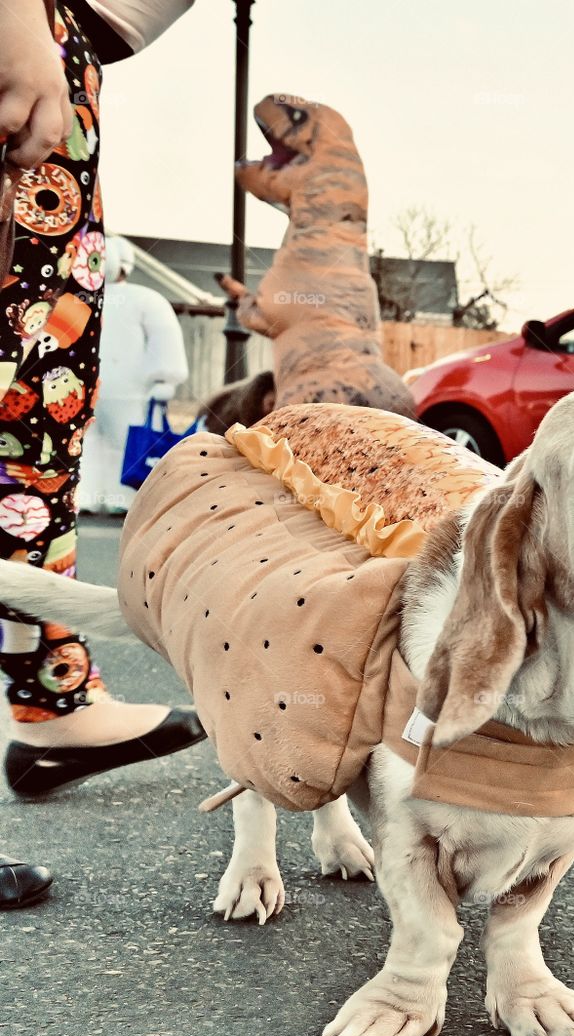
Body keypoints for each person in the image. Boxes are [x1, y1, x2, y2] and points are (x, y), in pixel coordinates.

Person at [0, 0, 198, 907]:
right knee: (26, 406)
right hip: (30, 35)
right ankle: (54, 699)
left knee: (30, 437)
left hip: (55, 40)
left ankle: (55, 695)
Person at [78, 234, 188, 514]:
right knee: (99, 443)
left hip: (113, 388)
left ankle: (108, 498)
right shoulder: (146, 299)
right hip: (112, 389)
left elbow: (164, 338)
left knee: (104, 443)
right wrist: (166, 377)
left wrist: (165, 378)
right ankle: (97, 497)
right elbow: (166, 338)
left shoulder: (83, 299)